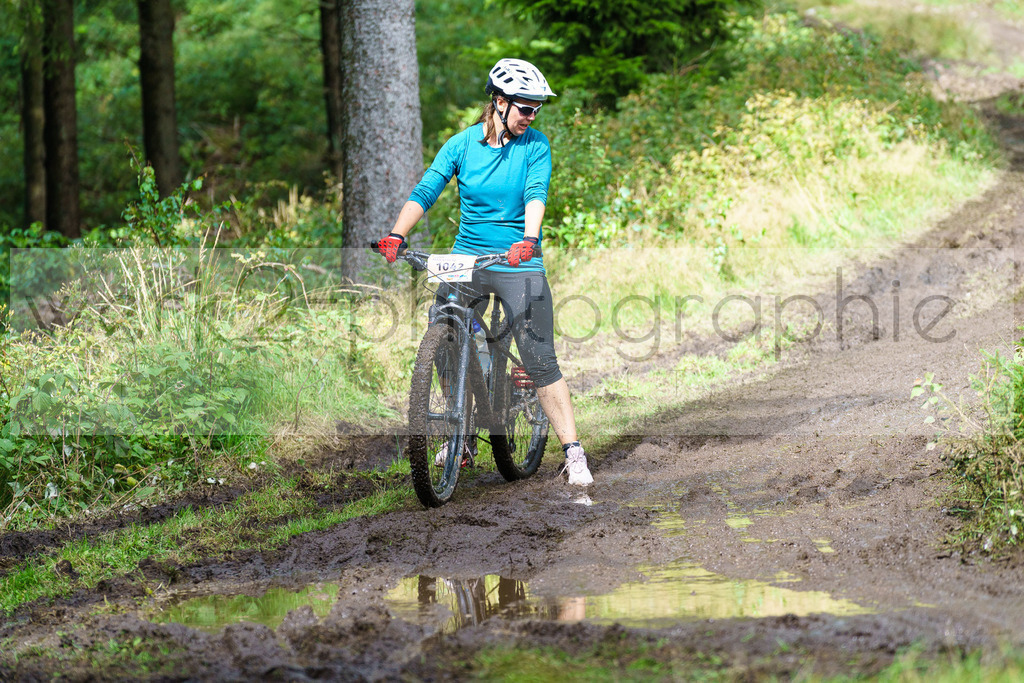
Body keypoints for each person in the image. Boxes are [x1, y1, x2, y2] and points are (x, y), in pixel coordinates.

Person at [374, 58, 593, 486]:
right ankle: (463, 433)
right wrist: (396, 235)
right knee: (445, 330)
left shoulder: (536, 147)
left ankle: (573, 451)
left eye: (535, 110)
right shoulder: (461, 145)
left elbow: (535, 193)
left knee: (538, 356)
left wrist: (528, 239)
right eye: (524, 108)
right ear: (498, 102)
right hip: (469, 259)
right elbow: (427, 189)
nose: (531, 117)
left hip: (518, 258)